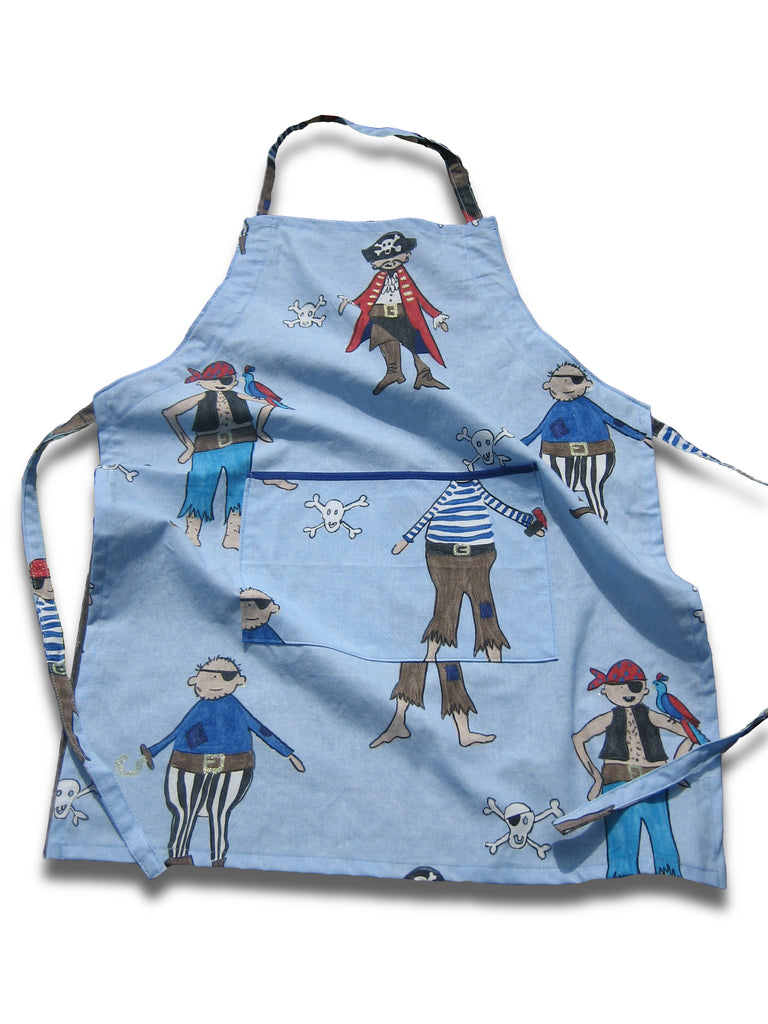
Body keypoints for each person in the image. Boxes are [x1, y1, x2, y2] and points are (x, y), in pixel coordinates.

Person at [370, 479, 546, 748]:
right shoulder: (448, 487)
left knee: (478, 620)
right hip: (444, 559)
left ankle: (458, 725)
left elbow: (496, 505)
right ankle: (404, 718)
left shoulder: (470, 486)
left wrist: (529, 523)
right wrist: (407, 538)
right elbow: (431, 511)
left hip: (476, 557)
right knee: (443, 630)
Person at [140, 656, 304, 867]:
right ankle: (182, 855)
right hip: (194, 762)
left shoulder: (232, 708)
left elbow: (260, 729)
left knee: (216, 811)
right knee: (190, 810)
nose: (213, 682)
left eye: (222, 677)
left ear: (238, 681)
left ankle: (217, 858)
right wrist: (154, 751)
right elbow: (180, 731)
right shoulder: (202, 708)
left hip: (229, 764)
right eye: (209, 677)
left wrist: (287, 752)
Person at [571, 658, 692, 878]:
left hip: (653, 782)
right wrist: (596, 778)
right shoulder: (609, 718)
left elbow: (689, 733)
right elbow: (578, 738)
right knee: (621, 846)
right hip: (616, 783)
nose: (627, 692)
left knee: (663, 843)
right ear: (606, 690)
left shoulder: (651, 715)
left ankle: (671, 873)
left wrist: (677, 768)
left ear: (644, 689)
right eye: (618, 687)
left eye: (634, 686)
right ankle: (620, 874)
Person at [162, 361, 294, 549]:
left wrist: (260, 430)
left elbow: (268, 403)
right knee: (200, 488)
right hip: (207, 447)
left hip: (241, 444)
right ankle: (191, 533)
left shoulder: (237, 395)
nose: (227, 383)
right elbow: (170, 413)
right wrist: (188, 445)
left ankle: (233, 534)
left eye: (228, 380)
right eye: (224, 380)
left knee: (239, 489)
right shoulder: (202, 397)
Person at [520, 363, 650, 521]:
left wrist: (640, 436)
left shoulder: (586, 406)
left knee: (591, 487)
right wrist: (516, 447)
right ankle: (573, 517)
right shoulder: (557, 410)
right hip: (559, 453)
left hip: (595, 452)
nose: (566, 384)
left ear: (586, 384)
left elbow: (612, 421)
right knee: (565, 490)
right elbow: (537, 431)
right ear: (548, 385)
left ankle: (598, 519)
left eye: (574, 380)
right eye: (562, 380)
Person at [339, 231, 450, 394]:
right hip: (378, 314)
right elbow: (367, 295)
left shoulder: (404, 278)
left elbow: (419, 297)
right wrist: (352, 303)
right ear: (375, 263)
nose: (390, 261)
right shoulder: (378, 279)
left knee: (414, 343)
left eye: (394, 256)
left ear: (406, 256)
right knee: (384, 339)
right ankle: (394, 372)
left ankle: (424, 375)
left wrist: (435, 314)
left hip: (403, 314)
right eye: (384, 258)